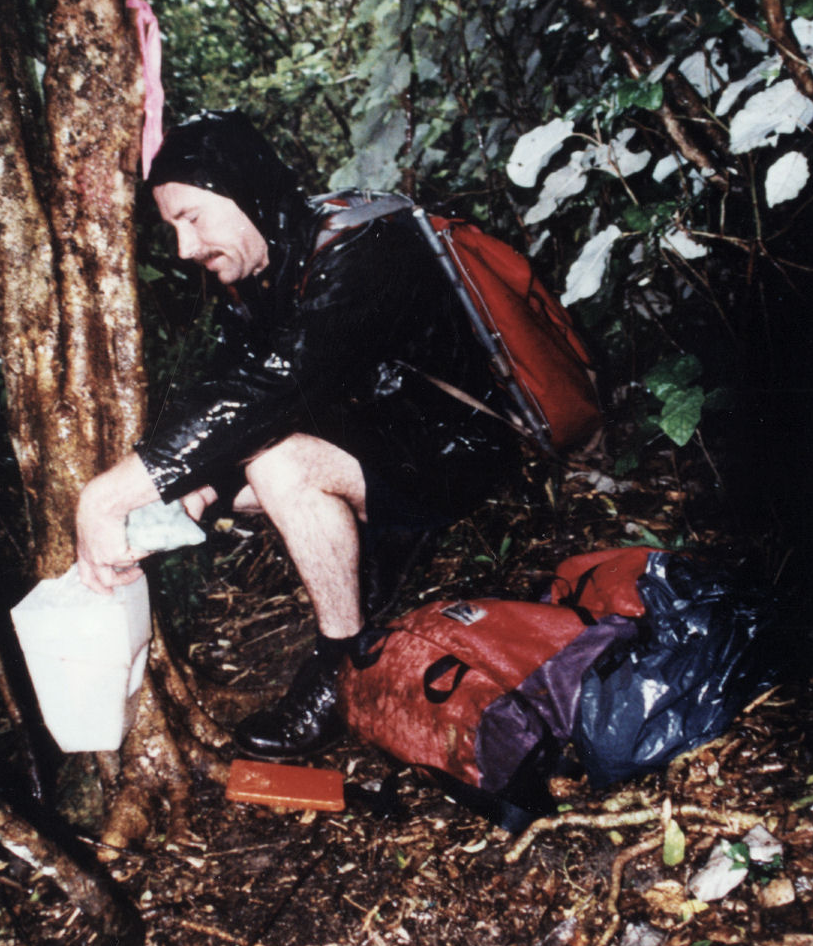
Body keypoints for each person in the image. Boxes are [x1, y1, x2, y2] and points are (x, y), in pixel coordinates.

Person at [76, 110, 523, 759]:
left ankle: (345, 667)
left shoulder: (363, 251)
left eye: (192, 217)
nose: (183, 247)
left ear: (245, 190)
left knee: (281, 467)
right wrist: (193, 488)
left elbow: (273, 388)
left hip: (459, 449)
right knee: (200, 484)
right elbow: (235, 393)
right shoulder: (264, 272)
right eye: (171, 226)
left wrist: (106, 496)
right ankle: (370, 556)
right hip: (386, 435)